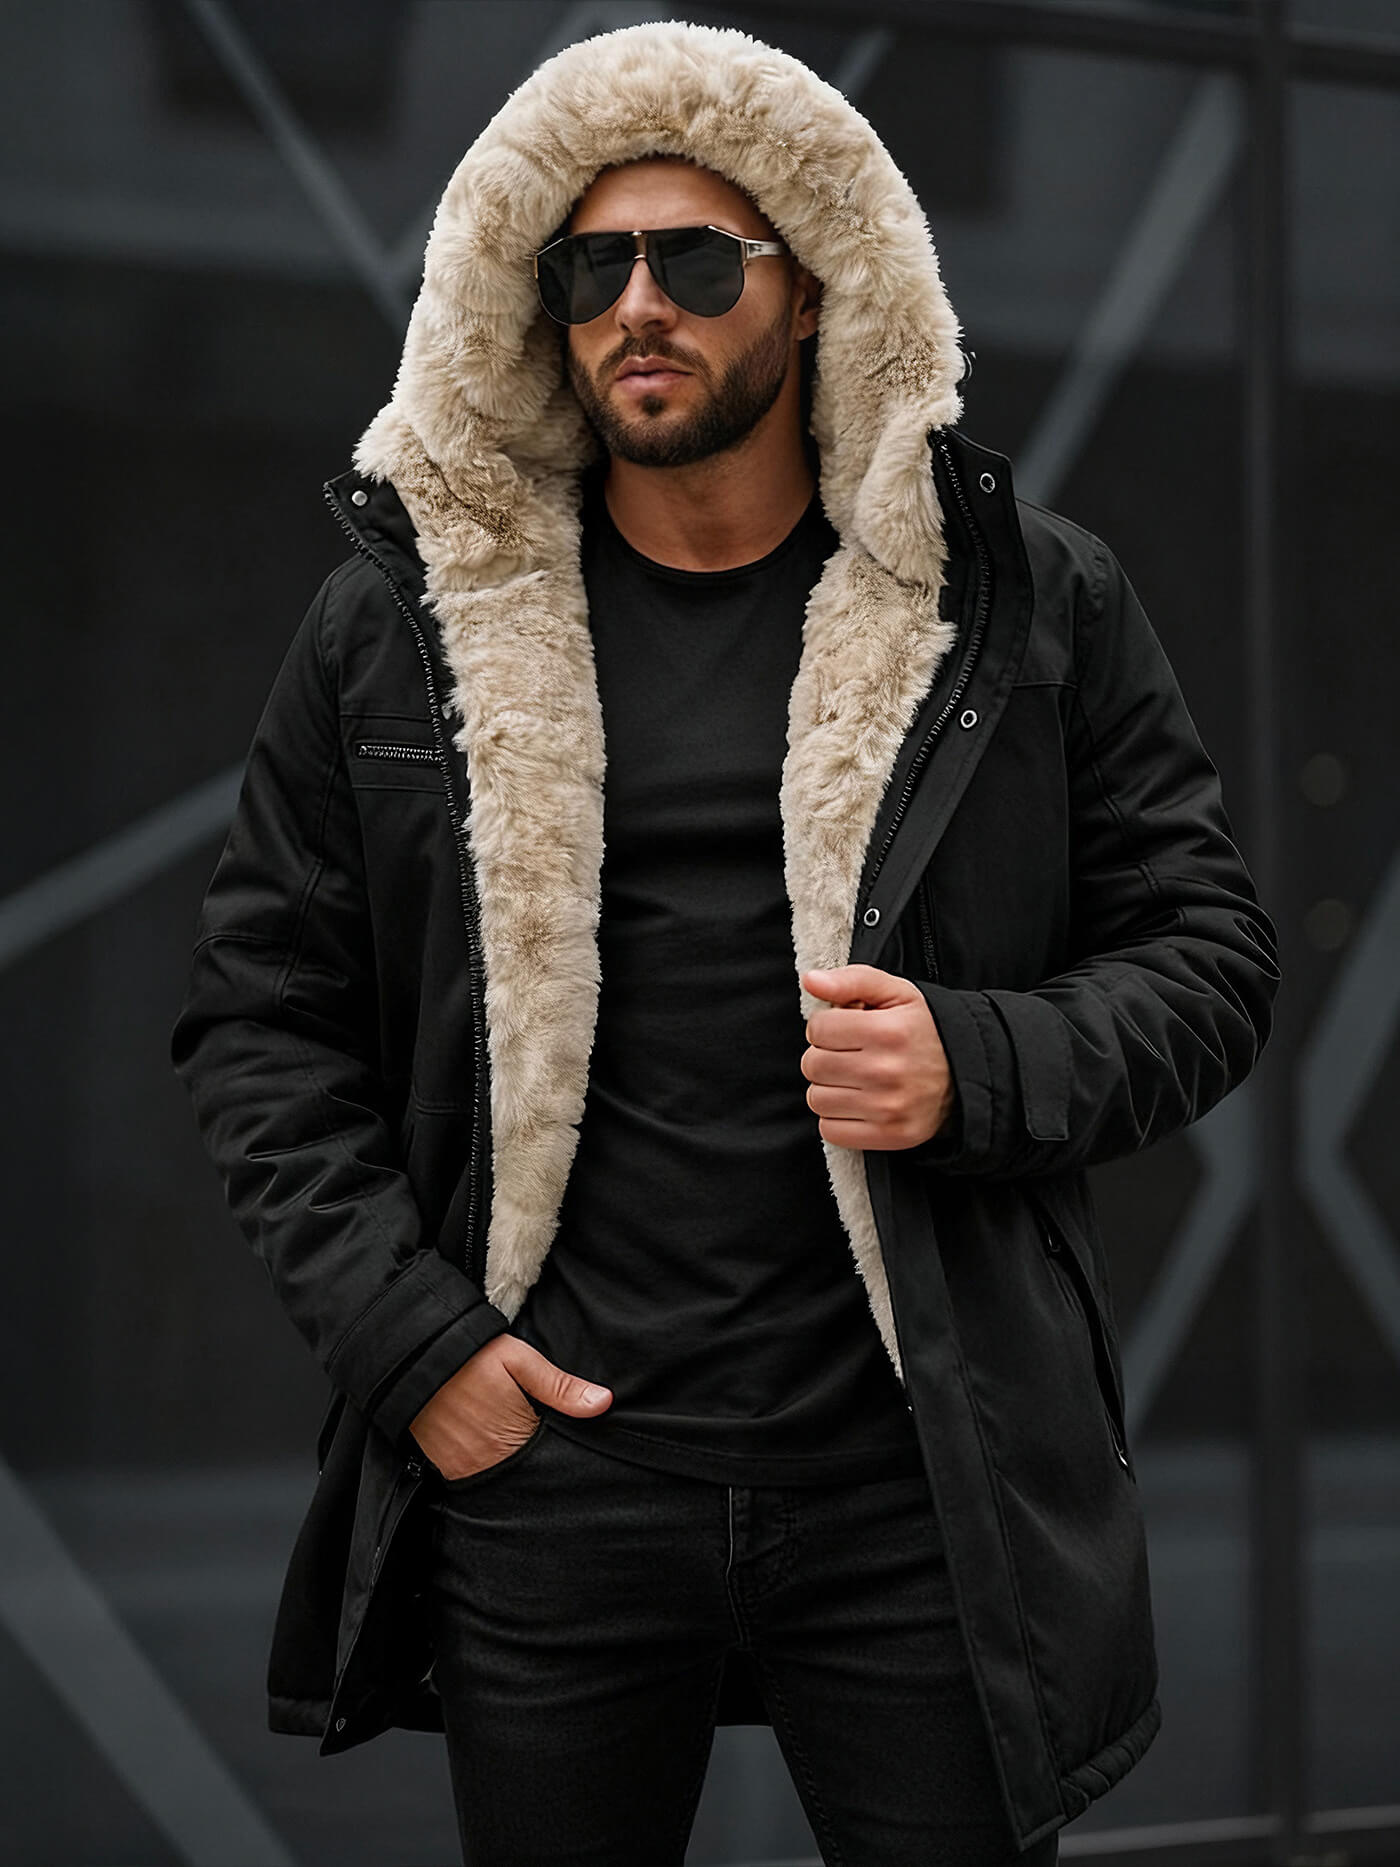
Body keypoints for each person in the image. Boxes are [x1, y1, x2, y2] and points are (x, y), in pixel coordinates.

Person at [170, 20, 1279, 1866]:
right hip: (555, 1483)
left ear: (816, 286)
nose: (637, 307)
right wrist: (414, 1346)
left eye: (695, 261)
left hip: (918, 1487)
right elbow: (258, 1022)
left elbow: (1212, 950)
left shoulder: (1019, 604)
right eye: (589, 268)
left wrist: (977, 1062)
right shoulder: (403, 632)